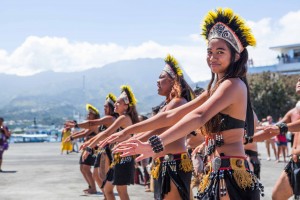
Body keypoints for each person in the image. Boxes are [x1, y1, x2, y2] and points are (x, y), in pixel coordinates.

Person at [113, 8, 264, 200]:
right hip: (218, 171)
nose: (213, 57)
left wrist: (155, 144)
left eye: (220, 52)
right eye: (209, 52)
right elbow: (170, 116)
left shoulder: (232, 84)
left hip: (231, 173)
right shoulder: (215, 88)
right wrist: (127, 132)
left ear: (235, 56)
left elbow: (199, 116)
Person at [100, 55, 195, 200]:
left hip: (174, 163)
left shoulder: (178, 102)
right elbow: (154, 130)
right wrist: (130, 142)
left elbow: (159, 129)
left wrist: (129, 137)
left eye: (161, 77)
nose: (157, 81)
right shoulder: (168, 104)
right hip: (165, 163)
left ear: (173, 81)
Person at [81, 85, 139, 200]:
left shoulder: (123, 118)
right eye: (115, 102)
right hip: (118, 158)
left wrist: (89, 147)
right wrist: (90, 143)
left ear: (126, 106)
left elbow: (106, 133)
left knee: (121, 191)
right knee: (108, 190)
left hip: (123, 158)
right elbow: (108, 135)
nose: (115, 105)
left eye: (118, 103)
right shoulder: (124, 118)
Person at [254, 77, 300, 199]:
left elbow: (281, 128)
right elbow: (272, 130)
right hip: (295, 162)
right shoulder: (293, 112)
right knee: (277, 196)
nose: (299, 81)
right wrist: (247, 139)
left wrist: (281, 128)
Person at [65, 94, 118, 196]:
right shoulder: (106, 120)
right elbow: (97, 134)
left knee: (103, 178)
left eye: (106, 107)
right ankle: (105, 195)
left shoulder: (110, 119)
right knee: (97, 176)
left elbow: (91, 124)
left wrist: (76, 125)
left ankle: (105, 195)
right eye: (104, 107)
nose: (104, 108)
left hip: (108, 152)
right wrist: (87, 143)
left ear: (111, 108)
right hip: (102, 151)